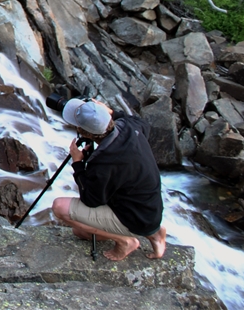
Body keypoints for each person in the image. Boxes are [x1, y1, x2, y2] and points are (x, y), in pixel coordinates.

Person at [51, 98, 167, 261]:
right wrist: (111, 111)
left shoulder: (104, 162)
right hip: (151, 210)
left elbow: (91, 199)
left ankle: (125, 241)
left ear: (84, 133)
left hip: (133, 217)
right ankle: (155, 234)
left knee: (60, 208)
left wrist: (77, 163)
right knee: (80, 232)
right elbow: (141, 122)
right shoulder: (130, 127)